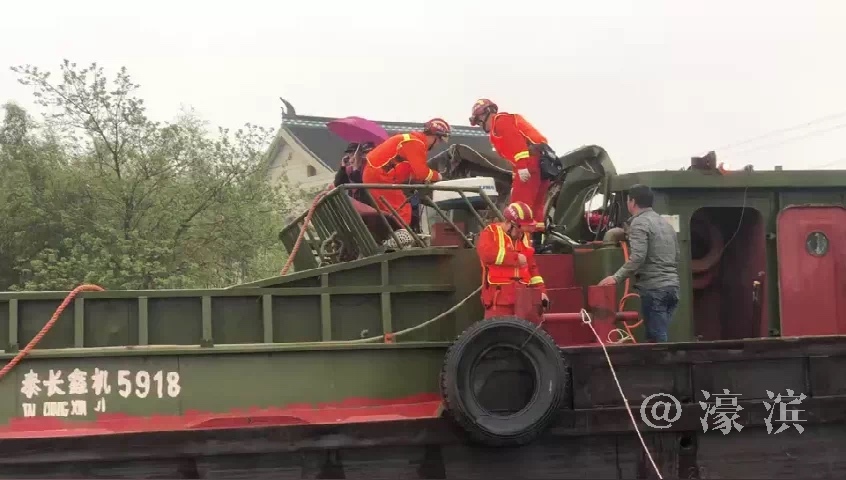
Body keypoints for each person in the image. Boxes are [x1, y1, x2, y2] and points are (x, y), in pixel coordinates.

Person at [598, 184, 680, 343]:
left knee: (657, 339)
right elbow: (676, 255)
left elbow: (638, 257)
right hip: (673, 289)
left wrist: (616, 278)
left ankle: (663, 359)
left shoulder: (639, 223)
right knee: (657, 335)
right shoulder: (666, 224)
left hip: (655, 289)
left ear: (633, 202)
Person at [469, 99, 553, 240]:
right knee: (535, 209)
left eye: (479, 121)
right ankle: (537, 242)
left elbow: (516, 143)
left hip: (529, 165)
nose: (479, 125)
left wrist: (522, 166)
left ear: (486, 114)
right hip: (541, 165)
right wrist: (517, 170)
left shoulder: (500, 122)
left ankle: (521, 243)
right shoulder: (506, 121)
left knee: (518, 209)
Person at [362, 118, 449, 226]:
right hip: (380, 177)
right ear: (435, 136)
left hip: (374, 175)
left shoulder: (411, 140)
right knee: (403, 211)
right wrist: (439, 176)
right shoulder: (416, 143)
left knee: (388, 213)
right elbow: (422, 172)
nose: (438, 144)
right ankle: (399, 236)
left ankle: (387, 235)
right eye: (440, 141)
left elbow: (412, 171)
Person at [476, 201, 550, 319]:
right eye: (519, 230)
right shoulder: (490, 233)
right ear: (509, 223)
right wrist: (515, 258)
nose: (522, 234)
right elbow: (487, 255)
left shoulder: (524, 238)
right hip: (498, 301)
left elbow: (532, 269)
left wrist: (541, 292)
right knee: (497, 329)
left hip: (523, 300)